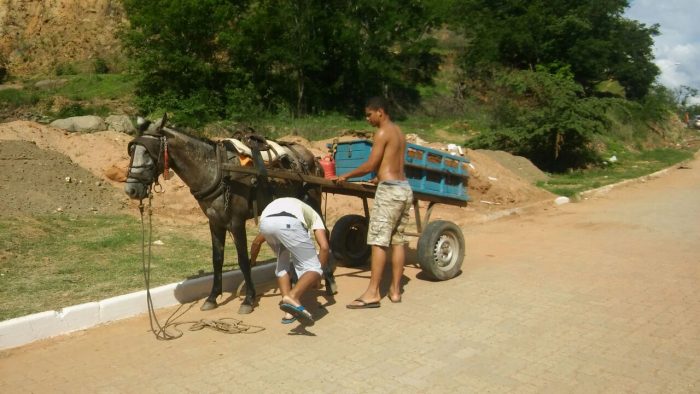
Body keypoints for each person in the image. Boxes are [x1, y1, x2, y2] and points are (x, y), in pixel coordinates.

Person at [333, 96, 413, 308]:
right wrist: (379, 177)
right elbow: (395, 164)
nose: (367, 119)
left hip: (389, 193)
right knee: (397, 241)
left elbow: (370, 164)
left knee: (378, 241)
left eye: (369, 114)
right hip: (404, 189)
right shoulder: (399, 133)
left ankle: (372, 293)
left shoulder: (382, 132)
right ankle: (395, 291)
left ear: (380, 111)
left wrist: (346, 175)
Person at [250, 197, 329, 326]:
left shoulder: (289, 205)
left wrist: (252, 261)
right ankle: (292, 297)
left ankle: (289, 312)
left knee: (282, 265)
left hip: (265, 224)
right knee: (314, 268)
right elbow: (324, 247)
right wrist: (317, 277)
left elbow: (256, 242)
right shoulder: (315, 216)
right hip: (289, 223)